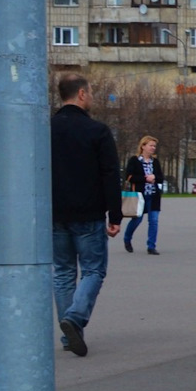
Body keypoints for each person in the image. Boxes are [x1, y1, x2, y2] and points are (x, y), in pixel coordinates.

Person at [49, 73, 121, 357]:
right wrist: (115, 215)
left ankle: (69, 336)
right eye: (90, 92)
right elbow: (109, 174)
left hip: (55, 213)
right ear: (81, 94)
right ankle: (75, 318)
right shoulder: (97, 131)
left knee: (64, 272)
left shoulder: (46, 129)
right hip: (88, 213)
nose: (91, 97)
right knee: (93, 270)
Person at [123, 135, 166, 254]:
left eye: (154, 146)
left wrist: (155, 177)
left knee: (154, 221)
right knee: (137, 220)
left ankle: (151, 246)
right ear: (143, 146)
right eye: (151, 145)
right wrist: (145, 178)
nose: (153, 148)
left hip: (153, 195)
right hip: (139, 196)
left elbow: (161, 178)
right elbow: (129, 177)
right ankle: (127, 239)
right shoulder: (134, 160)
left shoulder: (155, 162)